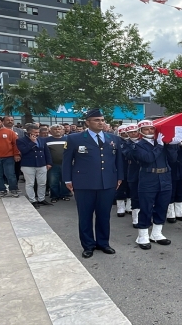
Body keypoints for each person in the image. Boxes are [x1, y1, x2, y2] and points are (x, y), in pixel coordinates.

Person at [62, 109, 123, 258]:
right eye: (97, 120)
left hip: (107, 183)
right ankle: (88, 245)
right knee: (85, 216)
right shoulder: (74, 139)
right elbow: (67, 161)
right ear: (87, 122)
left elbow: (119, 160)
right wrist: (67, 180)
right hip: (84, 183)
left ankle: (103, 243)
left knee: (104, 215)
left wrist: (119, 177)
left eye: (102, 120)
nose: (100, 122)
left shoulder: (113, 139)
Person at [129, 120, 179, 250]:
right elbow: (148, 158)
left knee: (162, 206)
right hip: (148, 179)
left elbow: (173, 159)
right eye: (146, 129)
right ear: (140, 132)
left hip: (165, 178)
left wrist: (172, 146)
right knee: (146, 207)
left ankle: (157, 233)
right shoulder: (138, 145)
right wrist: (160, 146)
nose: (150, 131)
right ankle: (143, 235)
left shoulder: (161, 142)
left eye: (152, 129)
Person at [17, 124, 53, 208]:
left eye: (38, 132)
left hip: (41, 164)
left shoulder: (41, 139)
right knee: (30, 183)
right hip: (28, 164)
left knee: (42, 183)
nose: (37, 134)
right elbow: (23, 151)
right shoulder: (21, 140)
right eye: (35, 132)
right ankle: (32, 200)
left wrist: (49, 163)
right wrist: (31, 142)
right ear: (29, 132)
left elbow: (46, 152)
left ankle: (41, 199)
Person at [121, 124, 141, 228]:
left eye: (136, 131)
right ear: (127, 134)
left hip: (146, 173)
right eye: (131, 132)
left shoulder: (144, 142)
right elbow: (129, 155)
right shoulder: (126, 144)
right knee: (135, 196)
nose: (134, 133)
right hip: (133, 173)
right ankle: (136, 218)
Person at [45, 124, 70, 203]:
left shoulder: (68, 139)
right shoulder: (46, 140)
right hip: (52, 164)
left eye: (59, 129)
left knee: (65, 180)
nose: (57, 131)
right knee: (53, 181)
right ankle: (54, 196)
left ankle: (65, 195)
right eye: (55, 129)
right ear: (51, 131)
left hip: (65, 164)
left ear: (63, 130)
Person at [114, 125, 132, 217]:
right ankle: (120, 207)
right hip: (121, 167)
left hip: (131, 167)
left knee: (130, 187)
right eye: (124, 133)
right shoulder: (117, 142)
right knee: (120, 187)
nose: (126, 134)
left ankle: (129, 206)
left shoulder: (131, 141)